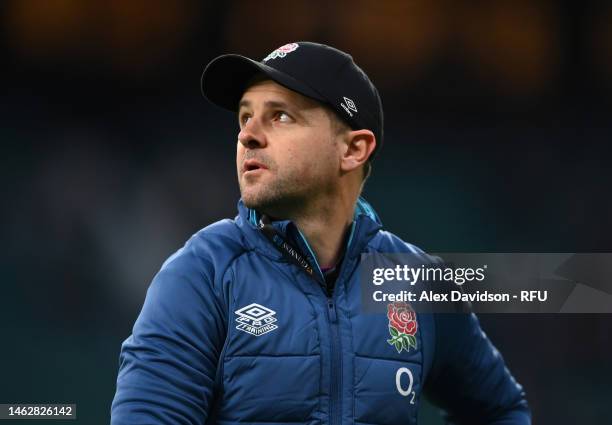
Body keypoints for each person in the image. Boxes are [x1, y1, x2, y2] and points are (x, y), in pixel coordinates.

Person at [110, 41, 531, 425]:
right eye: (244, 117)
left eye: (280, 116)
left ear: (352, 149)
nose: (248, 135)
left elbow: (500, 409)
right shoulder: (202, 275)